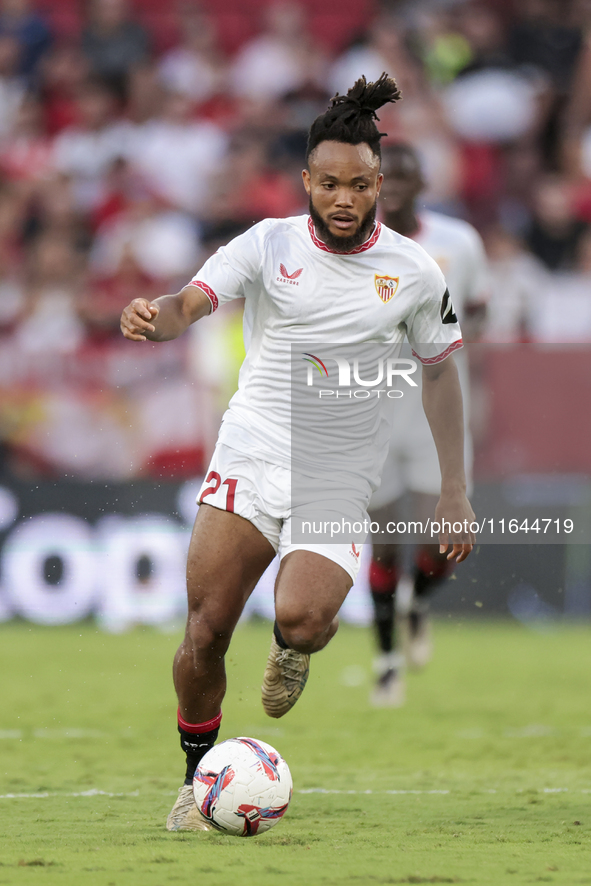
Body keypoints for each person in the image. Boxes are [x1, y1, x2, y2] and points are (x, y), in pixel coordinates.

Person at [119, 75, 475, 832]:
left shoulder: (415, 271)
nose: (343, 200)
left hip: (337, 474)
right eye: (328, 184)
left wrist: (454, 488)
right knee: (204, 631)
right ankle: (197, 778)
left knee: (305, 620)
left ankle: (291, 647)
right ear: (305, 181)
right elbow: (192, 300)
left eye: (359, 185)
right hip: (250, 451)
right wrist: (159, 319)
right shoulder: (266, 243)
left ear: (378, 183)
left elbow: (441, 374)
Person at [368, 142, 488, 707]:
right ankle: (387, 661)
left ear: (420, 183)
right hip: (374, 410)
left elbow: (480, 318)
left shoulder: (458, 242)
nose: (392, 186)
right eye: (383, 177)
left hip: (439, 409)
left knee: (446, 541)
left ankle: (419, 603)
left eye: (403, 175)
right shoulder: (349, 247)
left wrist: (476, 386)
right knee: (385, 541)